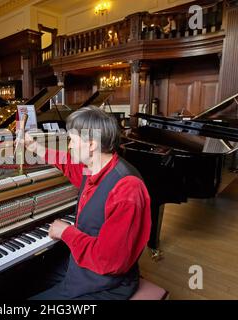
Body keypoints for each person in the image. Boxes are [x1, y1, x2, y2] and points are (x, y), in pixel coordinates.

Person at [25, 106, 151, 300]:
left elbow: (109, 262)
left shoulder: (127, 189)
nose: (69, 146)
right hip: (83, 266)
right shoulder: (93, 168)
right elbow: (66, 163)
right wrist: (34, 147)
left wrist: (65, 232)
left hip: (106, 283)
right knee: (25, 280)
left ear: (91, 145)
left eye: (72, 141)